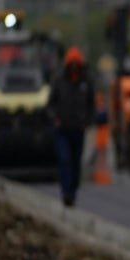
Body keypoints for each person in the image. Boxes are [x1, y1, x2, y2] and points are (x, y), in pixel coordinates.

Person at [48, 47, 95, 207]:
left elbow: (91, 104)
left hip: (78, 129)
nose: (74, 68)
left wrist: (87, 120)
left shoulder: (86, 81)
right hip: (62, 129)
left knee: (75, 162)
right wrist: (55, 119)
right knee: (65, 159)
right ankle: (66, 192)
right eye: (72, 64)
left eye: (77, 65)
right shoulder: (59, 80)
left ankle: (73, 190)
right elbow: (51, 104)